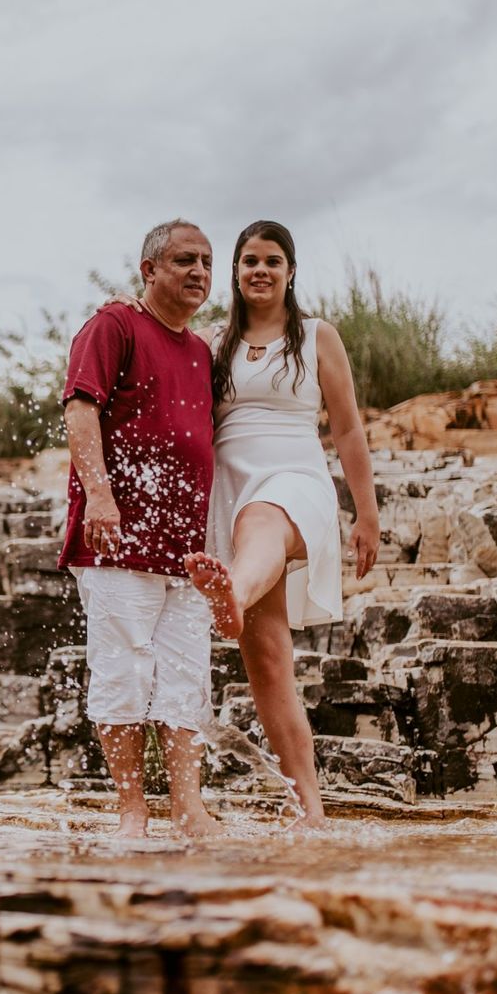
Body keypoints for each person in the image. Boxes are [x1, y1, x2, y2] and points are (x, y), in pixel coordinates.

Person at [183, 219, 380, 829]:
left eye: (272, 260)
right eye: (248, 261)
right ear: (235, 273)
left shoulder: (318, 336)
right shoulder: (213, 342)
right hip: (230, 485)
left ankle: (232, 593)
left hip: (296, 477)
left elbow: (346, 428)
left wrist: (366, 514)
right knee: (268, 664)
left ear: (291, 271)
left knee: (264, 520)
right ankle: (310, 811)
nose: (260, 271)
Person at [59, 218, 223, 839]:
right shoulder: (114, 325)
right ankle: (132, 810)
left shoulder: (202, 350)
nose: (199, 272)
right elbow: (80, 407)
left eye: (206, 262)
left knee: (185, 679)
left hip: (185, 550)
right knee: (123, 670)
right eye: (184, 260)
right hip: (117, 541)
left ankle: (188, 807)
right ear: (148, 270)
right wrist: (100, 497)